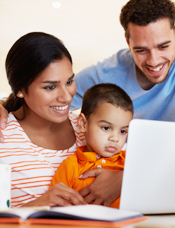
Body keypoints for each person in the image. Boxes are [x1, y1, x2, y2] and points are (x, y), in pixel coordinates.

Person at [0, 0, 175, 208]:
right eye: (142, 50)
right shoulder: (101, 81)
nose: (155, 60)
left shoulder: (90, 125)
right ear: (127, 41)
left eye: (70, 81)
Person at [0, 32, 121, 208]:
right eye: (50, 87)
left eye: (69, 81)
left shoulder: (90, 127)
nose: (66, 97)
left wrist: (122, 178)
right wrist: (34, 206)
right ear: (20, 90)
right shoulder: (4, 138)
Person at [50, 83, 133, 208]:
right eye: (106, 128)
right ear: (83, 123)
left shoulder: (131, 163)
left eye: (123, 131)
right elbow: (55, 207)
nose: (115, 138)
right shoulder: (70, 166)